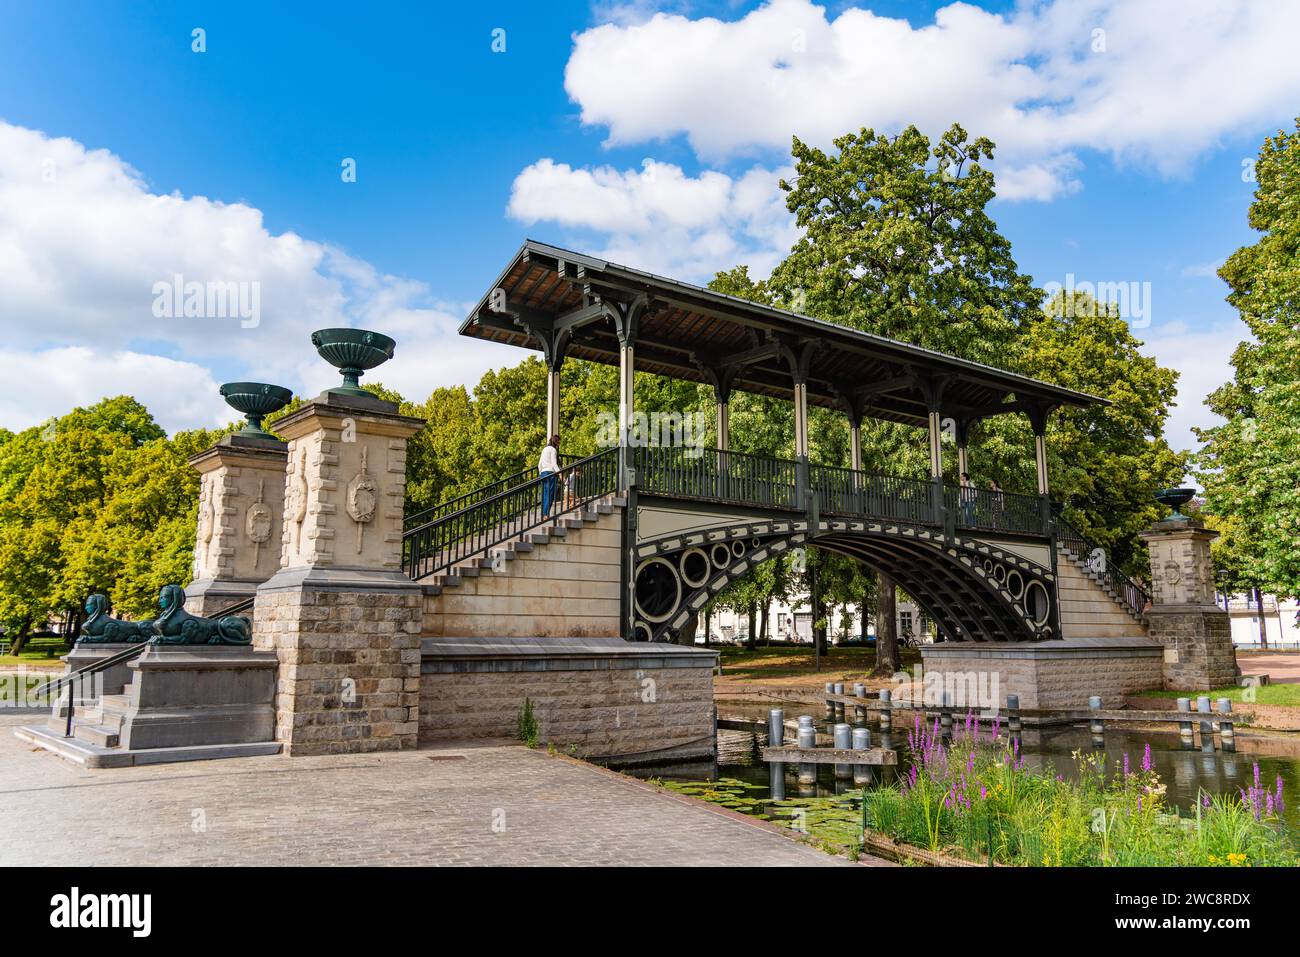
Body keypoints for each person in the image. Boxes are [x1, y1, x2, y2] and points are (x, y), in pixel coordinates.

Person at [538, 434, 560, 517]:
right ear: (556, 442)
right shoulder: (553, 450)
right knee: (550, 494)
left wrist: (541, 473)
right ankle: (546, 514)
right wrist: (560, 473)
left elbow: (539, 464)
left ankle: (544, 514)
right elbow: (554, 464)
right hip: (550, 473)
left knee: (544, 494)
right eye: (558, 442)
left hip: (543, 473)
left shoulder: (544, 449)